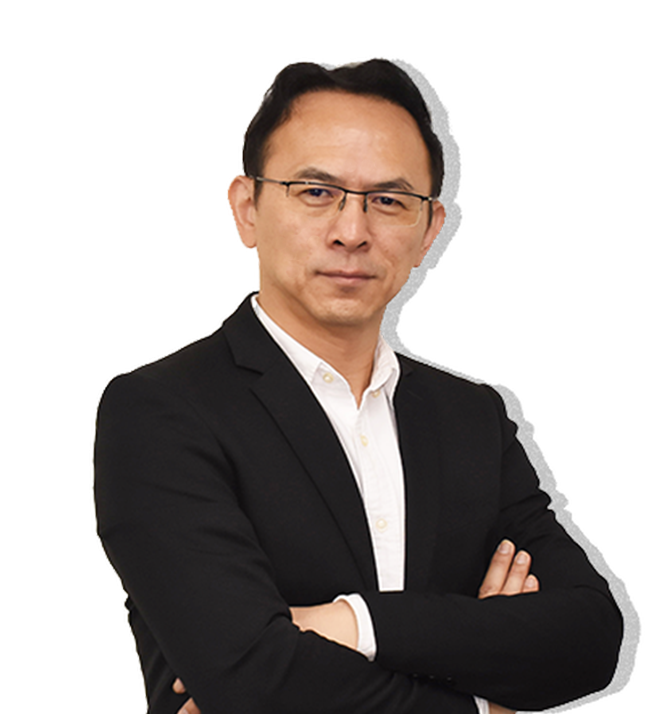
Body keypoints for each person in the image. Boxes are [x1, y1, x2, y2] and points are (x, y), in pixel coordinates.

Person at [93, 58, 623, 713]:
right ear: (247, 209)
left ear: (429, 229)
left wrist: (351, 623)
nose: (352, 232)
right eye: (316, 192)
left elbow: (588, 638)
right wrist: (483, 696)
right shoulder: (161, 410)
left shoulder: (471, 417)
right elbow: (251, 678)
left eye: (388, 201)